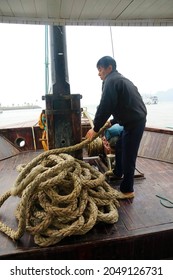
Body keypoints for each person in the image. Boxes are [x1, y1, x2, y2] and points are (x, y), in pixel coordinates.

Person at [86, 56, 147, 198]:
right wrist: (113, 122)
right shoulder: (119, 79)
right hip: (132, 120)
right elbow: (125, 105)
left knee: (128, 155)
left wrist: (95, 129)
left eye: (100, 69)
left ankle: (127, 190)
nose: (98, 73)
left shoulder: (111, 81)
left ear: (109, 68)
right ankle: (117, 172)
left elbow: (105, 106)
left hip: (135, 123)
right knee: (120, 146)